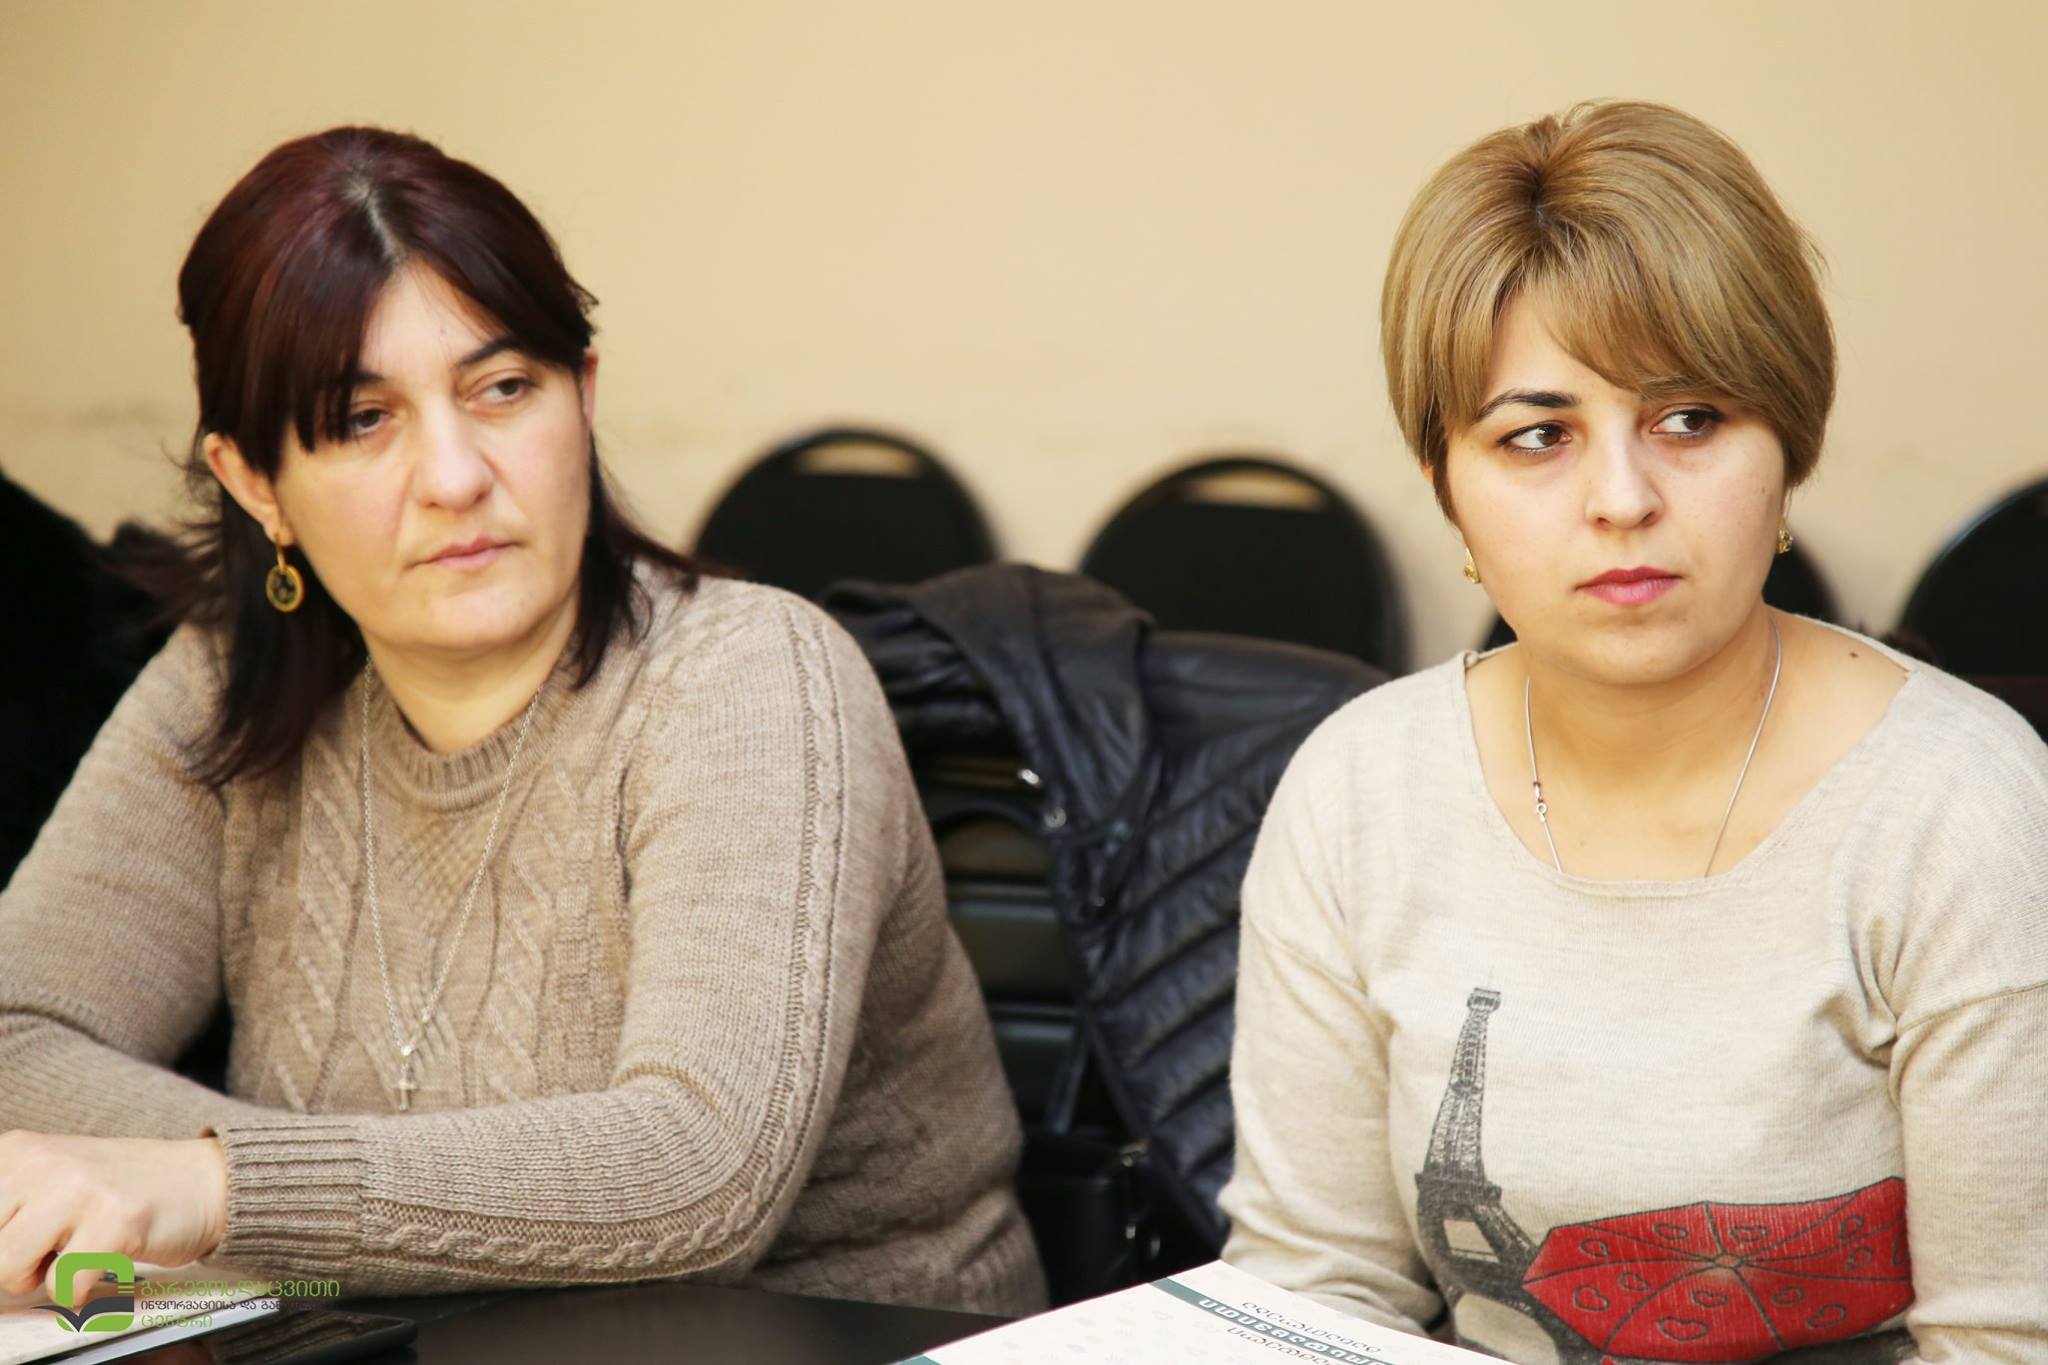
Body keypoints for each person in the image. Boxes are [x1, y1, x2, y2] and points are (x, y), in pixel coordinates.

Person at [0, 126, 1044, 1317]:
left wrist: (219, 1187)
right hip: (376, 1338)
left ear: (581, 399)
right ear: (253, 484)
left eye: (502, 390)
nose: (455, 477)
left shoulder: (750, 676)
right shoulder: (224, 682)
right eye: (361, 418)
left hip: (837, 1335)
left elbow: (698, 1170)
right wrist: (248, 1207)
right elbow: (16, 1033)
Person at [1219, 100, 2047, 1362]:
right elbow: (1309, 1292)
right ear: (1445, 485)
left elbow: (2006, 1341)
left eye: (1689, 419)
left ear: (1788, 449)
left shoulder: (1959, 807)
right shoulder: (1358, 789)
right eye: (1536, 436)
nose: (1620, 499)